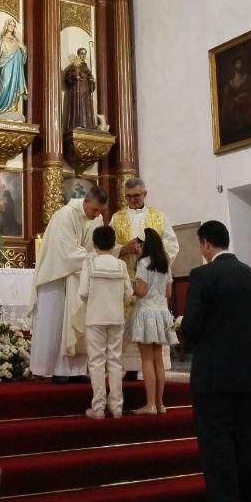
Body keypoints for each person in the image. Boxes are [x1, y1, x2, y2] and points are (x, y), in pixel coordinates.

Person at [180, 220, 251, 502]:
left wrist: (185, 333)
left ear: (205, 245)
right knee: (248, 449)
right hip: (247, 375)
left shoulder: (203, 276)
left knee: (218, 451)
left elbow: (191, 328)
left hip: (213, 379)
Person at [29, 185, 108, 383]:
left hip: (79, 275)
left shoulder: (96, 218)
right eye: (94, 209)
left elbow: (95, 246)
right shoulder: (65, 215)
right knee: (56, 324)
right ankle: (55, 369)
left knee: (79, 322)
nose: (97, 214)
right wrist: (97, 260)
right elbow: (67, 253)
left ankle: (77, 370)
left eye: (100, 211)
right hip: (57, 277)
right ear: (86, 201)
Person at [110, 177, 179, 379]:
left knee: (153, 343)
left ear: (145, 194)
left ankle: (154, 375)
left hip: (152, 282)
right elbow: (108, 244)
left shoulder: (159, 217)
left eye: (136, 196)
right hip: (128, 280)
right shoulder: (116, 218)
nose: (132, 199)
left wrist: (150, 252)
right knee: (129, 326)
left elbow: (172, 245)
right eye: (128, 196)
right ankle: (130, 368)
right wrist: (124, 248)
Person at [79, 225, 132, 418]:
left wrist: (94, 300)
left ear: (94, 244)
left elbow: (83, 292)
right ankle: (117, 407)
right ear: (113, 243)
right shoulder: (121, 265)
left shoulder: (90, 263)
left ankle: (99, 407)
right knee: (116, 362)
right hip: (116, 318)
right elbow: (128, 293)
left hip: (95, 317)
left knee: (96, 362)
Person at [125, 227, 178, 414]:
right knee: (158, 361)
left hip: (146, 312)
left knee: (146, 360)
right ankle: (160, 403)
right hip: (161, 312)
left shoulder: (143, 263)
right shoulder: (165, 264)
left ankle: (150, 404)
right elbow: (169, 293)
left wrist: (129, 287)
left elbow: (140, 291)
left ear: (144, 245)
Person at [0, 18, 28, 120]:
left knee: (14, 87)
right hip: (5, 65)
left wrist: (23, 48)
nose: (12, 27)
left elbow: (23, 51)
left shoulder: (16, 40)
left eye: (14, 25)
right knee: (5, 85)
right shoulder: (0, 38)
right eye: (10, 24)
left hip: (16, 67)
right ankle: (1, 108)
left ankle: (12, 108)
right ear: (6, 25)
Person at [65, 48, 96, 130]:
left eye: (84, 54)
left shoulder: (87, 68)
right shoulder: (74, 66)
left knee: (86, 107)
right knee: (78, 106)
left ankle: (88, 125)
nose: (83, 56)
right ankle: (77, 124)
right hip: (77, 89)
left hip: (85, 90)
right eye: (81, 54)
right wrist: (74, 76)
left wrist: (91, 82)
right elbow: (68, 78)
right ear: (78, 54)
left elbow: (91, 81)